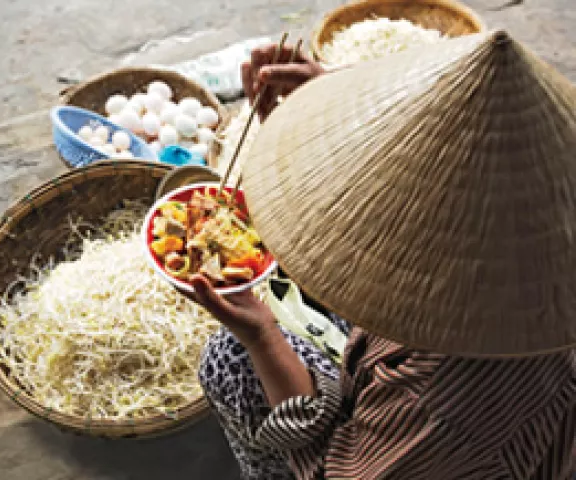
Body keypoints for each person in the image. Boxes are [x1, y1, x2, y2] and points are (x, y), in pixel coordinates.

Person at [186, 40, 576, 480]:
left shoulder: (438, 409)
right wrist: (343, 108)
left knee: (231, 362)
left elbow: (332, 472)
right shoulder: (531, 238)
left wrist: (262, 337)